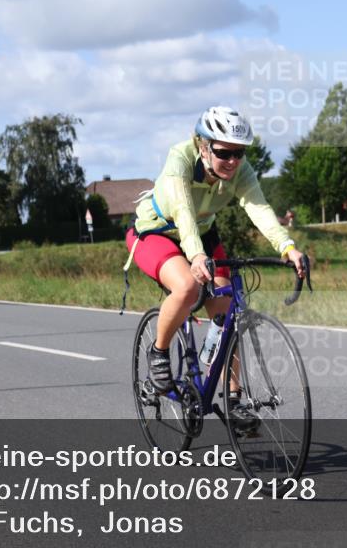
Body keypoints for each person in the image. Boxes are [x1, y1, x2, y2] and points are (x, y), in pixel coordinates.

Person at [125, 106, 305, 428]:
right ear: (203, 146)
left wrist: (287, 247)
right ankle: (159, 353)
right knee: (186, 286)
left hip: (203, 235)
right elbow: (182, 211)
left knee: (227, 312)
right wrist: (194, 257)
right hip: (158, 231)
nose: (234, 162)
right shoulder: (180, 159)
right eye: (224, 153)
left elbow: (259, 208)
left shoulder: (240, 170)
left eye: (240, 153)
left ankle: (233, 400)